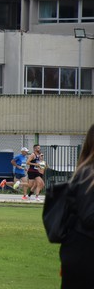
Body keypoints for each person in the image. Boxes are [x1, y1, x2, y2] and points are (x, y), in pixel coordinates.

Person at [58, 123, 94, 287]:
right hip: (84, 252)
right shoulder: (88, 176)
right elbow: (89, 217)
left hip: (76, 251)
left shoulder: (82, 175)